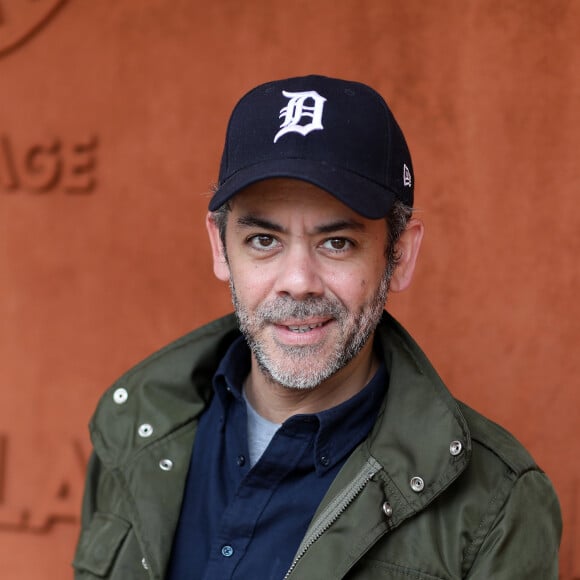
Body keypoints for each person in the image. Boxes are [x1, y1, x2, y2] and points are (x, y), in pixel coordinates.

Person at [73, 75, 562, 579]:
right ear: (221, 248)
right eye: (264, 240)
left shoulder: (496, 505)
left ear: (400, 253)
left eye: (338, 243)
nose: (298, 283)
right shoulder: (134, 430)